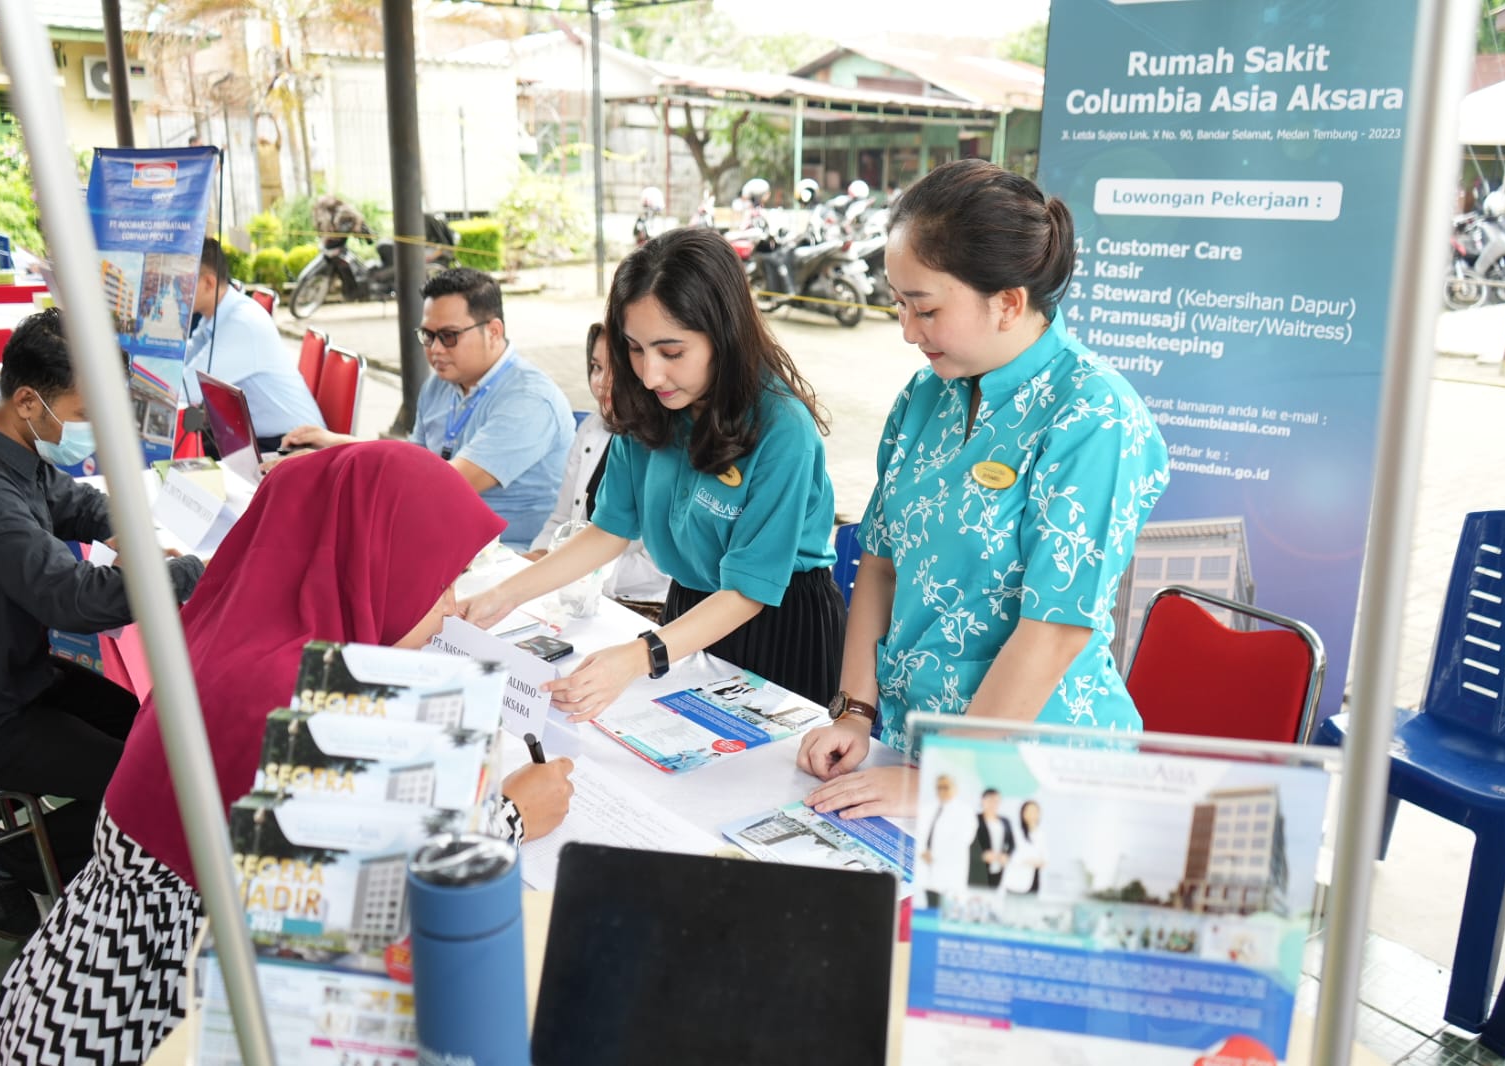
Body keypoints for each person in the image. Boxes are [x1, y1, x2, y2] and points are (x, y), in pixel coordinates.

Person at [0, 442, 577, 1063]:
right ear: (379, 565)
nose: (451, 607)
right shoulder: (305, 710)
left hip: (70, 995)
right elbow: (399, 914)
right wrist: (511, 816)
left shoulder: (227, 631)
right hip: (160, 1024)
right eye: (443, 581)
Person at [799, 159, 1170, 818]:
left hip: (1037, 777)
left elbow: (1055, 628)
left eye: (926, 308)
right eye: (900, 303)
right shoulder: (925, 398)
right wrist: (855, 713)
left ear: (1008, 302)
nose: (909, 331)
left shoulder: (1094, 417)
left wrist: (945, 783)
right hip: (910, 748)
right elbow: (880, 565)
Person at [459, 227, 846, 714]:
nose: (649, 374)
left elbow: (749, 589)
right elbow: (608, 530)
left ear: (724, 336)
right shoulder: (648, 406)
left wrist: (637, 656)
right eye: (635, 349)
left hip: (780, 620)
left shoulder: (781, 428)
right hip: (687, 608)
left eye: (672, 352)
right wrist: (503, 595)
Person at [0, 308, 205, 939]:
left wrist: (131, 534)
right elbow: (72, 599)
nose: (95, 432)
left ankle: (39, 851)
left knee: (157, 733)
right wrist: (192, 573)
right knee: (153, 787)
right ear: (29, 400)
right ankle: (3, 860)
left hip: (6, 670)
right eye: (86, 416)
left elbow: (72, 500)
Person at [282, 269, 573, 550]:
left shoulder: (528, 400)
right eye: (427, 335)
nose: (435, 349)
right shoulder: (441, 385)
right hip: (443, 538)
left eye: (448, 336)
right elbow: (413, 462)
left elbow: (442, 486)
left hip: (508, 558)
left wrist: (329, 468)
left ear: (494, 332)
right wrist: (336, 444)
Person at [525, 323, 669, 618]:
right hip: (572, 593)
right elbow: (561, 519)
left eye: (615, 367)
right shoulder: (592, 428)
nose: (602, 382)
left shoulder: (669, 447)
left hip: (642, 608)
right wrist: (536, 560)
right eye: (595, 367)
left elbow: (658, 570)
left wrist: (569, 569)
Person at [184, 237, 324, 453]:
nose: (174, 290)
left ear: (209, 283)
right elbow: (182, 366)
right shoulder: (213, 317)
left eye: (180, 281)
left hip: (292, 445)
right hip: (253, 439)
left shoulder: (241, 323)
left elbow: (186, 389)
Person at [918, 774, 975, 909]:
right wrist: (923, 852)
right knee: (930, 904)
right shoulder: (930, 809)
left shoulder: (964, 812)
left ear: (955, 789)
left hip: (949, 872)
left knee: (949, 910)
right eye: (939, 788)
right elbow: (923, 834)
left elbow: (963, 840)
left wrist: (935, 855)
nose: (941, 791)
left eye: (945, 787)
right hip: (928, 871)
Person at [969, 787, 1014, 889]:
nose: (993, 803)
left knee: (993, 896)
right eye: (990, 800)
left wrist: (1006, 855)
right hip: (978, 868)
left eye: (996, 800)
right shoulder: (974, 819)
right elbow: (967, 843)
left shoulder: (1005, 821)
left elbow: (1012, 844)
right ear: (983, 800)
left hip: (998, 868)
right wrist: (981, 855)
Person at [1004, 799, 1046, 895]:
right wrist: (1029, 860)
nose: (1032, 814)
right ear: (1023, 813)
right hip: (1015, 881)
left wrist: (1035, 861)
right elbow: (1011, 856)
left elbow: (1044, 860)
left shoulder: (1041, 834)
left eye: (1035, 811)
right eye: (1029, 811)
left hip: (1033, 880)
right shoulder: (1015, 832)